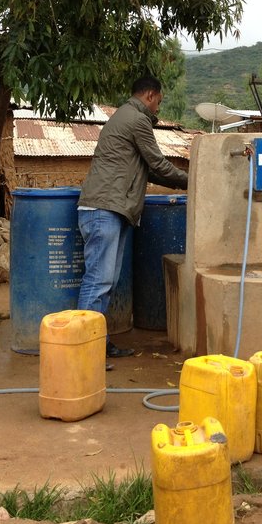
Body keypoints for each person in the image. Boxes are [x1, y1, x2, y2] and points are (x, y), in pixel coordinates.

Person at [78, 75, 189, 362]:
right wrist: (193, 180)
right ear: (151, 95)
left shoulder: (123, 117)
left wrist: (181, 182)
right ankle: (83, 352)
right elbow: (158, 163)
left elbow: (147, 170)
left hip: (111, 209)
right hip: (105, 209)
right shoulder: (136, 120)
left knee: (106, 282)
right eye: (158, 103)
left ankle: (96, 344)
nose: (157, 110)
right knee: (98, 282)